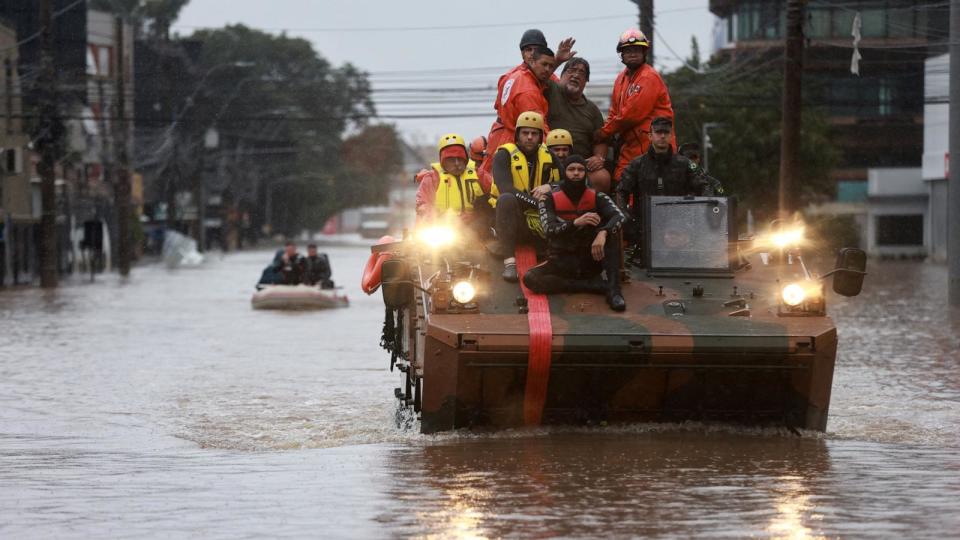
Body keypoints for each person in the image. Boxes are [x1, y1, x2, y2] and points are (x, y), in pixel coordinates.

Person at [523, 155, 627, 311]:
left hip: (590, 261)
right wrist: (575, 223)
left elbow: (619, 216)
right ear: (565, 172)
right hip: (561, 262)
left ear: (585, 173)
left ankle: (614, 291)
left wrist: (603, 233)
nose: (576, 173)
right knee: (530, 278)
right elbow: (549, 229)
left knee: (611, 235)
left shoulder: (598, 196)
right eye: (571, 169)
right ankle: (589, 287)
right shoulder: (548, 199)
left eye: (580, 169)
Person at [617, 116, 714, 246]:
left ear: (671, 136)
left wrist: (705, 209)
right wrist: (624, 216)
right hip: (644, 229)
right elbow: (621, 191)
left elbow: (704, 186)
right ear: (650, 136)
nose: (662, 136)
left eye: (666, 132)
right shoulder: (637, 164)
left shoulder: (684, 164)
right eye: (658, 132)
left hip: (680, 228)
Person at [594, 29, 676, 182]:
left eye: (637, 50)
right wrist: (606, 131)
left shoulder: (648, 76)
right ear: (622, 54)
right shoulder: (620, 79)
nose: (632, 53)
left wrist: (603, 133)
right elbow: (614, 112)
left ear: (644, 53)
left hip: (655, 145)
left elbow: (631, 114)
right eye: (628, 50)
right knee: (621, 179)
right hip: (631, 145)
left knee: (652, 187)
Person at [491, 111, 560, 282]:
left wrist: (550, 186)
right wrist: (538, 203)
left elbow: (570, 181)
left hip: (541, 221)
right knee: (506, 199)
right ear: (517, 135)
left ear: (540, 137)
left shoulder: (549, 156)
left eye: (534, 133)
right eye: (525, 133)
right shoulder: (503, 155)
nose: (529, 137)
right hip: (512, 219)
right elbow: (505, 188)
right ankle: (510, 263)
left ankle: (555, 256)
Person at [481, 45, 560, 176]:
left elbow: (497, 105)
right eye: (544, 65)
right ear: (532, 62)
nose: (548, 70)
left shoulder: (512, 75)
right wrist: (556, 154)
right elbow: (539, 128)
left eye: (551, 67)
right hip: (513, 142)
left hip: (498, 135)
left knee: (491, 180)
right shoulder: (529, 92)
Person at [545, 57, 611, 193]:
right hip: (550, 161)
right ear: (561, 75)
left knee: (602, 177)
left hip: (580, 166)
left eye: (581, 73)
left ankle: (589, 211)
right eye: (572, 70)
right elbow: (540, 75)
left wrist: (599, 158)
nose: (575, 75)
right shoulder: (551, 90)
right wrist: (558, 59)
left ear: (586, 81)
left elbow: (601, 139)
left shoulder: (592, 109)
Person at [415, 133, 492, 234]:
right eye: (451, 159)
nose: (456, 163)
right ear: (443, 161)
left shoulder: (479, 174)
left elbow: (496, 194)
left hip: (476, 229)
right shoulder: (432, 178)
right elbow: (422, 204)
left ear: (466, 159)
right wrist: (436, 218)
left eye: (460, 158)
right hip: (442, 230)